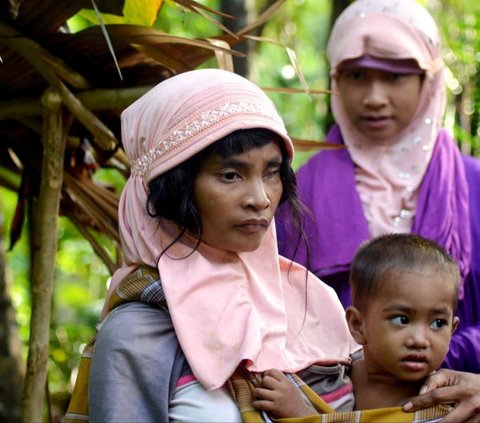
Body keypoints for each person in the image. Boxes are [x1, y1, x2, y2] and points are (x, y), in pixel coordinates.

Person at [64, 68, 480, 423]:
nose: (260, 198)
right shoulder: (135, 336)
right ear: (171, 188)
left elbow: (378, 406)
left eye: (272, 172)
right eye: (230, 175)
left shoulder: (305, 305)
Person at [276, 0, 480, 373]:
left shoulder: (474, 185)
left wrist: (456, 364)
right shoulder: (297, 192)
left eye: (393, 76)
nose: (373, 97)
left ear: (428, 80)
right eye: (356, 76)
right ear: (335, 80)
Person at [253, 234, 460, 420]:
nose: (420, 340)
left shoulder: (441, 405)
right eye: (402, 320)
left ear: (452, 329)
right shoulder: (327, 376)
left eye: (437, 323)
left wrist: (302, 415)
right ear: (357, 325)